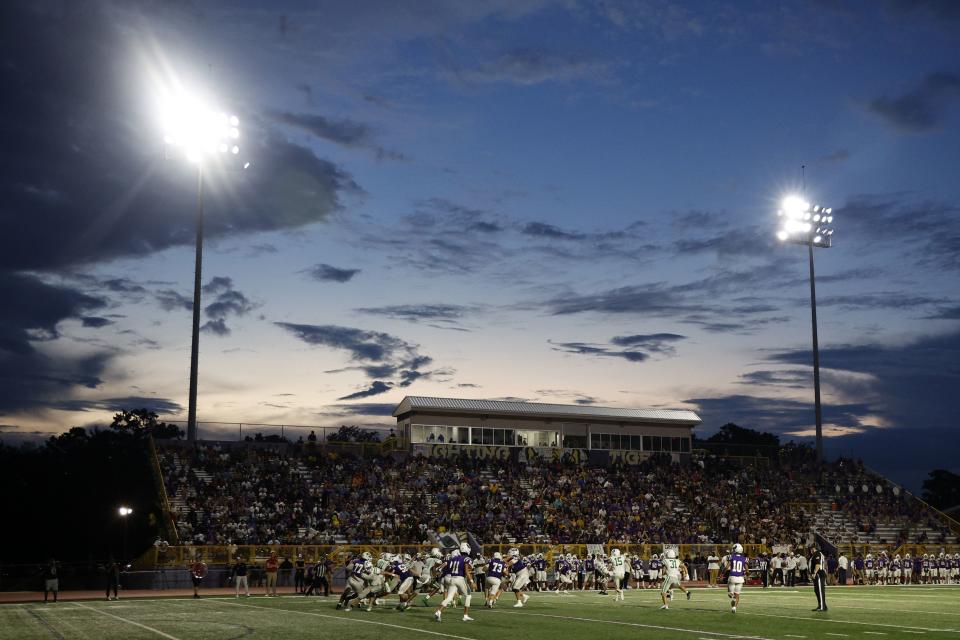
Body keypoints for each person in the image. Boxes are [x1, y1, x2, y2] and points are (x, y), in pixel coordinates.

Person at [434, 543, 474, 622]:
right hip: (460, 578)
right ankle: (465, 615)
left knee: (449, 598)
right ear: (467, 549)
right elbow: (466, 570)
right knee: (468, 596)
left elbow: (442, 568)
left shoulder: (452, 559)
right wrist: (471, 581)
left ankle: (438, 611)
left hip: (452, 579)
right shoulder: (467, 559)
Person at [724, 544, 747, 614]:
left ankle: (731, 593)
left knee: (730, 592)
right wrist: (747, 574)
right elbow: (747, 569)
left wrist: (723, 573)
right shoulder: (744, 558)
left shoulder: (731, 557)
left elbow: (727, 567)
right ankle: (734, 607)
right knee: (737, 595)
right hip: (740, 578)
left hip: (732, 577)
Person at [810, 546, 827, 612]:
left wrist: (814, 573)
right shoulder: (818, 554)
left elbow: (818, 564)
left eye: (811, 549)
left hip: (819, 574)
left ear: (813, 549)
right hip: (818, 574)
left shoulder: (817, 553)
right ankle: (821, 605)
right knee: (817, 590)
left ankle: (822, 607)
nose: (810, 551)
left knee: (820, 591)